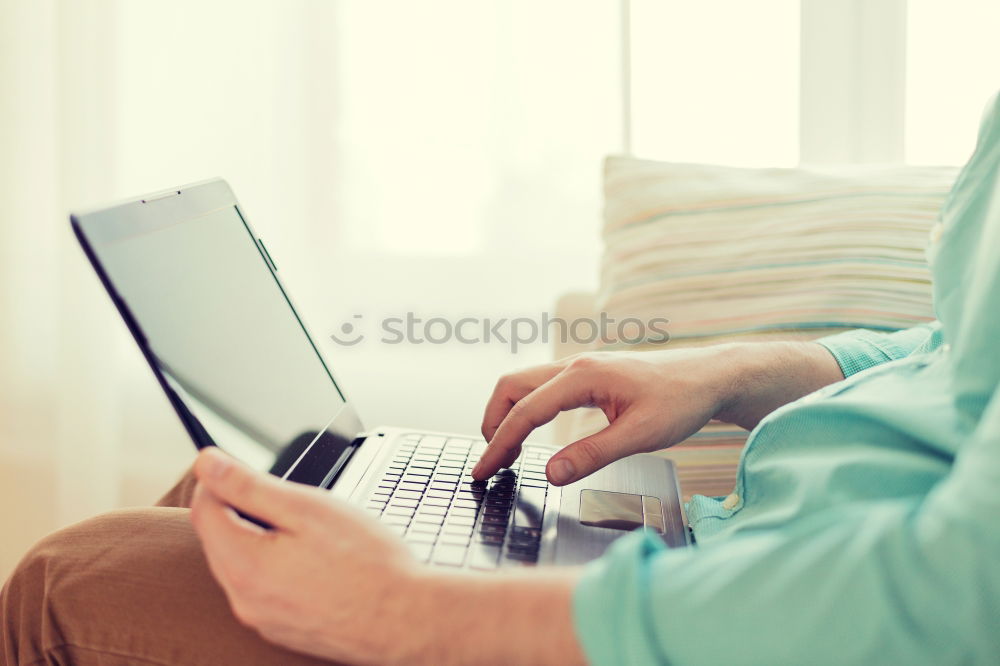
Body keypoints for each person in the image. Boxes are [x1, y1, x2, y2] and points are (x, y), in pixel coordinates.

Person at [3, 93, 1000, 665]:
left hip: (747, 622)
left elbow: (958, 601)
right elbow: (959, 351)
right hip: (736, 560)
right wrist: (733, 369)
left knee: (72, 576)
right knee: (239, 503)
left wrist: (412, 610)